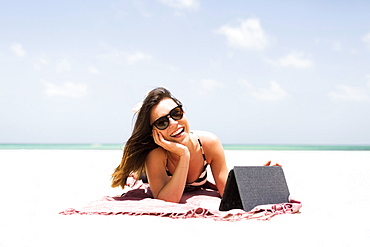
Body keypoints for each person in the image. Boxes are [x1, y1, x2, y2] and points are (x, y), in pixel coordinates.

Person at [111, 87, 229, 203]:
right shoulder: (156, 154)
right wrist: (184, 155)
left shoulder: (209, 144)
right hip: (153, 174)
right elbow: (167, 200)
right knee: (142, 173)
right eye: (162, 122)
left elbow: (227, 192)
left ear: (184, 112)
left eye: (176, 113)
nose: (173, 123)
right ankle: (137, 173)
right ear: (154, 133)